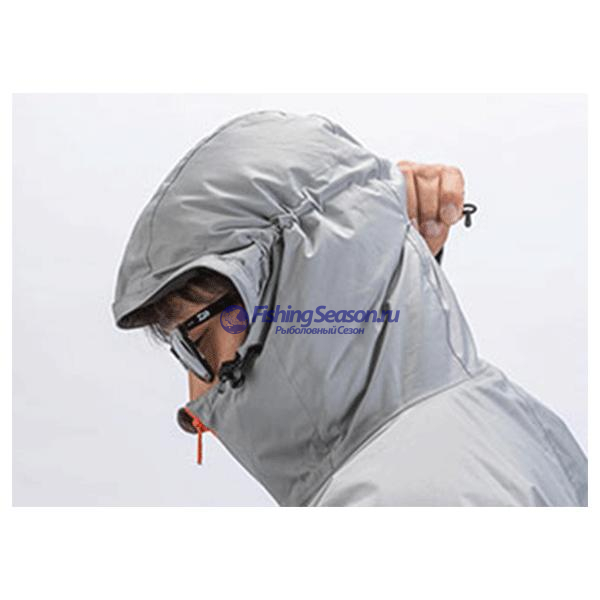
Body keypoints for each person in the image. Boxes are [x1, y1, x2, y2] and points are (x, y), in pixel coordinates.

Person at [112, 110, 587, 506]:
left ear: (280, 291)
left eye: (192, 341)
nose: (196, 399)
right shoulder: (494, 417)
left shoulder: (395, 499)